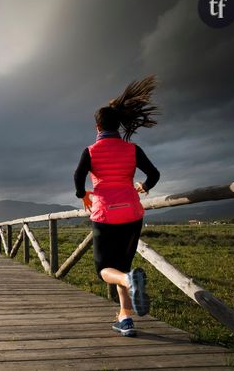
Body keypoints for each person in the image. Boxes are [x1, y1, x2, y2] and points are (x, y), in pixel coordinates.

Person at [74, 75, 160, 337]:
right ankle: (125, 317)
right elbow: (154, 174)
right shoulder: (132, 149)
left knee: (105, 270)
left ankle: (126, 281)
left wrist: (83, 195)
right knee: (124, 263)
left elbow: (78, 177)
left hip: (104, 214)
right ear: (118, 124)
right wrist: (143, 188)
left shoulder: (91, 151)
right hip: (132, 214)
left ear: (97, 126)